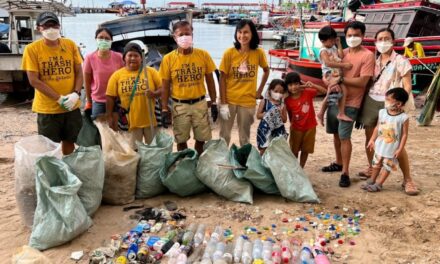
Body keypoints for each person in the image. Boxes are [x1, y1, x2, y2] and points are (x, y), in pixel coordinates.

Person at [358, 28, 418, 195]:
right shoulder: (374, 60)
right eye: (380, 39)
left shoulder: (401, 61)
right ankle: (372, 168)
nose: (383, 42)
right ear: (375, 42)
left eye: (386, 38)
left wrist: (402, 103)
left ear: (393, 41)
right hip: (372, 100)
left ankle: (407, 179)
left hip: (391, 103)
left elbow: (407, 85)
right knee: (372, 137)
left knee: (395, 140)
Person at [321, 21, 375, 187]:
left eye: (356, 35)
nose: (353, 38)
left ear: (363, 36)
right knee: (335, 133)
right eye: (350, 35)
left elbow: (363, 82)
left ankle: (345, 172)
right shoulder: (341, 53)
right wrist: (327, 80)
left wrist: (342, 79)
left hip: (352, 101)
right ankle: (338, 162)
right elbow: (326, 70)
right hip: (334, 97)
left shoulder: (367, 55)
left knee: (345, 136)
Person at [21, 12, 83, 155]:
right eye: (47, 26)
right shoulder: (32, 49)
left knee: (70, 141)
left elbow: (79, 71)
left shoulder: (70, 44)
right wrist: (59, 98)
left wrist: (76, 93)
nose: (51, 29)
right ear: (39, 28)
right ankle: (52, 175)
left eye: (54, 25)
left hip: (71, 107)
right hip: (47, 110)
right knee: (49, 148)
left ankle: (66, 170)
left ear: (59, 26)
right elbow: (34, 80)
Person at [159, 21, 217, 155]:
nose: (184, 37)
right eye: (180, 34)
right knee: (181, 140)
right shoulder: (168, 59)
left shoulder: (203, 55)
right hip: (179, 105)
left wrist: (213, 102)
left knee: (202, 138)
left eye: (187, 33)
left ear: (192, 35)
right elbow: (165, 86)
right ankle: (184, 162)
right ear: (174, 37)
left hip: (200, 103)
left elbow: (210, 80)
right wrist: (164, 108)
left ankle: (197, 160)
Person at [218, 19, 270, 146]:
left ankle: (243, 161)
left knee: (244, 137)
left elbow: (266, 71)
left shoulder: (258, 53)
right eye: (239, 32)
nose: (242, 36)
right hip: (229, 99)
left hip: (248, 101)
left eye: (246, 32)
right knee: (224, 136)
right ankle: (222, 159)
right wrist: (223, 103)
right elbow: (222, 78)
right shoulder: (229, 53)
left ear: (252, 33)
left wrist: (259, 91)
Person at [106, 42, 161, 149]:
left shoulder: (150, 72)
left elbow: (163, 88)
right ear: (124, 58)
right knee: (133, 151)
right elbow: (110, 96)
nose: (133, 58)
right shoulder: (117, 76)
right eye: (129, 55)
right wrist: (109, 116)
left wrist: (154, 94)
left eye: (136, 56)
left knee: (154, 150)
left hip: (151, 120)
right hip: (131, 122)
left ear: (141, 58)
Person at [361, 88, 409, 192]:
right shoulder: (382, 112)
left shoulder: (403, 118)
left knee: (388, 166)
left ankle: (379, 184)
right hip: (380, 145)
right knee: (376, 163)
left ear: (399, 104)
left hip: (392, 148)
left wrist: (400, 149)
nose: (385, 101)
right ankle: (372, 180)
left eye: (388, 99)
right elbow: (377, 127)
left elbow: (405, 134)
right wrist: (372, 140)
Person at [284, 72, 327, 168]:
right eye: (290, 85)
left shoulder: (307, 92)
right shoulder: (287, 100)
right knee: (294, 150)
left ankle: (301, 167)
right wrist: (292, 124)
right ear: (287, 86)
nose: (293, 87)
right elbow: (289, 114)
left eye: (296, 84)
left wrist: (312, 85)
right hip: (296, 128)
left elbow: (324, 91)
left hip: (310, 127)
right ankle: (295, 168)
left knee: (305, 149)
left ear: (300, 84)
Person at [83, 28, 123, 124]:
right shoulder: (90, 58)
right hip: (98, 101)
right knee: (99, 130)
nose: (103, 41)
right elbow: (87, 82)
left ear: (111, 41)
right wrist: (89, 102)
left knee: (118, 130)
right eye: (100, 38)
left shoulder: (119, 57)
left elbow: (125, 76)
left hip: (117, 100)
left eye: (107, 39)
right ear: (96, 39)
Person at [316, 25, 353, 125]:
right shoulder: (323, 51)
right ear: (323, 41)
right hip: (329, 73)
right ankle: (337, 112)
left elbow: (341, 56)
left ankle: (323, 112)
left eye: (333, 40)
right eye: (331, 40)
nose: (333, 42)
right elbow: (328, 63)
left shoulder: (332, 47)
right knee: (335, 91)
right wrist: (344, 65)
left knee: (336, 91)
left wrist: (339, 44)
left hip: (335, 73)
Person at [256, 79, 288, 155]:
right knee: (264, 148)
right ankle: (261, 164)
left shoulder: (282, 105)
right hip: (265, 130)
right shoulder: (265, 102)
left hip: (278, 130)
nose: (278, 94)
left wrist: (280, 114)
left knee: (276, 150)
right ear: (270, 90)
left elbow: (284, 120)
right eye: (276, 91)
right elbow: (258, 115)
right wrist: (269, 113)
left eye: (281, 92)